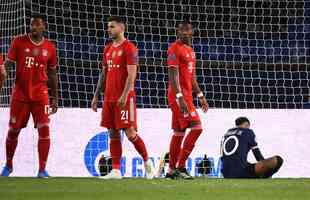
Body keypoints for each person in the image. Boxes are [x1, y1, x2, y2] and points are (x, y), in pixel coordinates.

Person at [91, 16, 155, 179]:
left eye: (112, 26)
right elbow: (104, 73)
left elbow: (131, 75)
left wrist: (124, 95)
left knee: (130, 132)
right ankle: (116, 171)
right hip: (109, 98)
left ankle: (147, 163)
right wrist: (96, 95)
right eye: (108, 27)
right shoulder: (107, 49)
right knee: (112, 133)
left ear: (121, 27)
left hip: (125, 98)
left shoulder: (129, 48)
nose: (108, 29)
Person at [0, 14, 58, 178]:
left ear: (43, 27)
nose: (32, 27)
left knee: (44, 129)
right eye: (31, 24)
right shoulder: (18, 42)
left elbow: (53, 74)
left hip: (41, 95)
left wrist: (55, 98)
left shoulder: (50, 47)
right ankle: (9, 166)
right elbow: (8, 65)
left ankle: (42, 170)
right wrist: (2, 73)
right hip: (20, 94)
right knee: (13, 130)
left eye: (36, 25)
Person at [165, 21, 209, 179]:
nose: (184, 33)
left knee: (179, 132)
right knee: (197, 127)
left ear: (192, 32)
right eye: (181, 30)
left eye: (187, 30)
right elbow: (173, 75)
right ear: (178, 32)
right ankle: (181, 167)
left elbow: (192, 77)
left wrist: (201, 96)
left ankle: (170, 171)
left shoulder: (190, 51)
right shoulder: (173, 48)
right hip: (179, 97)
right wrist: (179, 97)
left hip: (188, 96)